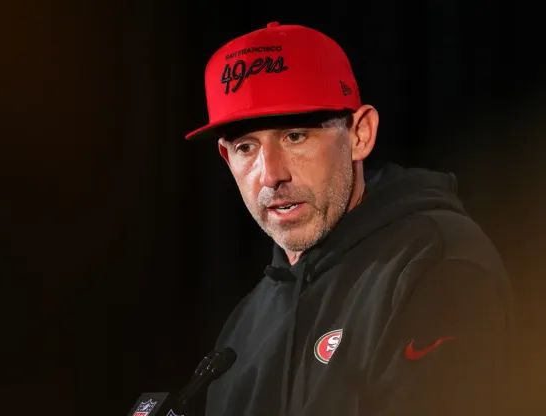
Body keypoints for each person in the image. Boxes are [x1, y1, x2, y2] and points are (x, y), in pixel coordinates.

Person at [184, 22, 516, 416]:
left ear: (360, 134)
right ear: (227, 159)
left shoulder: (435, 262)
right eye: (246, 146)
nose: (271, 174)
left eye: (295, 136)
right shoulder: (243, 330)